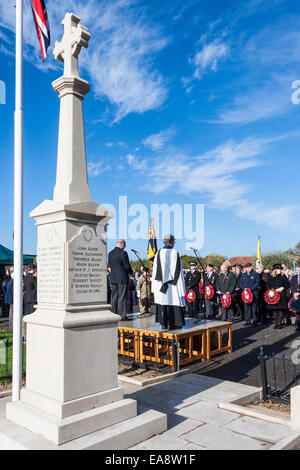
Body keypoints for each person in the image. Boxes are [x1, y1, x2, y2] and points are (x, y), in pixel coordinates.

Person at [152, 234, 186, 330]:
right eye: (173, 241)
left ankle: (164, 323)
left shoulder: (158, 252)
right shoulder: (175, 252)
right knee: (173, 300)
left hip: (161, 283)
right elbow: (178, 270)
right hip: (173, 283)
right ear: (171, 242)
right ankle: (174, 323)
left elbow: (155, 270)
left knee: (163, 301)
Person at [108, 239, 133, 321]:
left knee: (114, 297)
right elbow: (127, 266)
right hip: (122, 278)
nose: (124, 247)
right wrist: (131, 272)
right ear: (122, 245)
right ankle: (122, 316)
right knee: (122, 297)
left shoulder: (110, 253)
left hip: (113, 278)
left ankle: (113, 314)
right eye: (124, 246)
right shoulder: (123, 253)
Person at [266, 264, 290, 330]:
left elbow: (287, 284)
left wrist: (283, 288)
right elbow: (268, 285)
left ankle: (279, 323)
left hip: (281, 294)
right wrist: (271, 289)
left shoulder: (283, 276)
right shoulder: (271, 277)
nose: (279, 271)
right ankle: (276, 323)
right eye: (277, 269)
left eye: (280, 269)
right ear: (274, 270)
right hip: (273, 295)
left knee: (280, 309)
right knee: (275, 310)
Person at [239, 262, 261, 326]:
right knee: (247, 308)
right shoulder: (243, 275)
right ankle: (247, 321)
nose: (248, 268)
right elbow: (241, 283)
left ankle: (255, 320)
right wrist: (244, 289)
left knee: (254, 308)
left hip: (253, 293)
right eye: (247, 267)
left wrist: (250, 289)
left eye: (249, 267)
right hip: (246, 294)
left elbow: (257, 283)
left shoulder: (256, 274)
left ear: (251, 267)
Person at [290, 263, 300, 331]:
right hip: (296, 296)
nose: (297, 271)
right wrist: (294, 293)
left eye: (298, 270)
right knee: (297, 311)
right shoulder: (294, 277)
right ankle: (298, 326)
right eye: (296, 270)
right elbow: (292, 286)